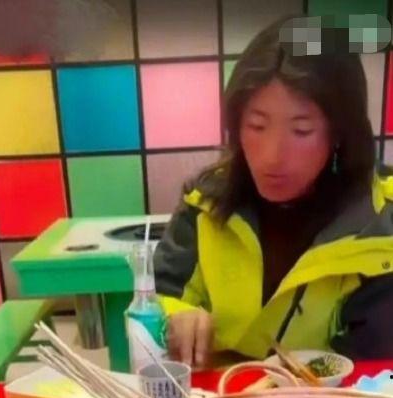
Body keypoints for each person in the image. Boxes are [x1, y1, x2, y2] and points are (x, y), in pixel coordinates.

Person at [154, 17, 393, 368]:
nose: (272, 157)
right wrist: (173, 319)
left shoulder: (380, 226)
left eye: (301, 130)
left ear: (340, 132)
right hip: (213, 397)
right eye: (257, 126)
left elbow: (376, 370)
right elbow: (156, 298)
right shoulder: (204, 202)